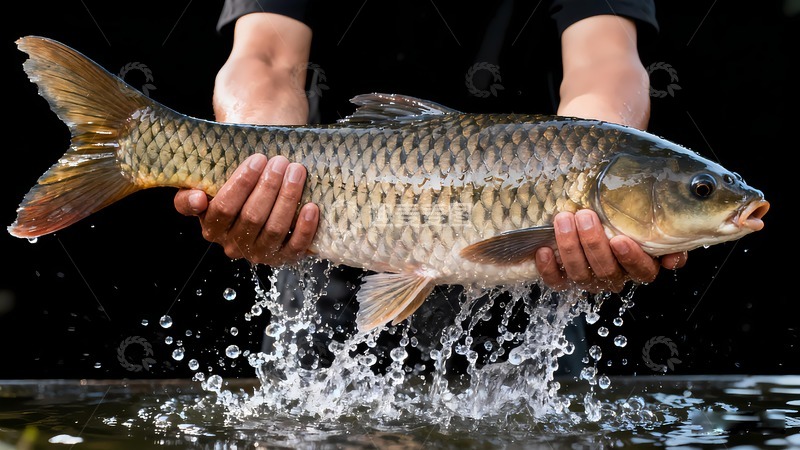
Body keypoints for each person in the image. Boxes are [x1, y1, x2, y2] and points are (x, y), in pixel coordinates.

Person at [174, 0, 687, 322]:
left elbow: (606, 63)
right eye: (699, 190)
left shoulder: (592, 183)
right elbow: (265, 57)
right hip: (318, 241)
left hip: (537, 291)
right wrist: (257, 175)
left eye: (697, 190)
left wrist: (583, 174)